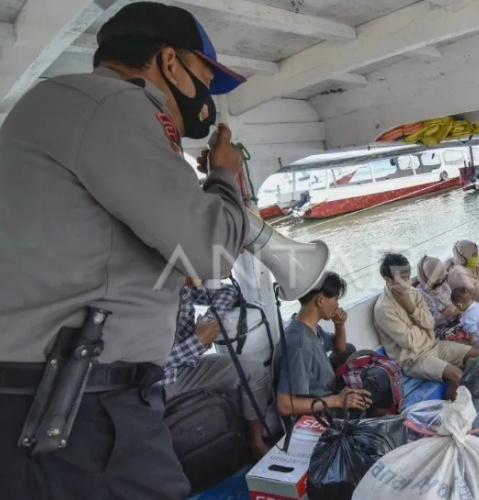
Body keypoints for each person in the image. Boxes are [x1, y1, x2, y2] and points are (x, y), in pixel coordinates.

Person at [0, 3, 250, 498]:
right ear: (170, 63)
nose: (205, 99)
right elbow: (213, 254)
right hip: (80, 411)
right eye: (203, 77)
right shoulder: (117, 105)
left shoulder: (59, 105)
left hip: (50, 400)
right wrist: (225, 175)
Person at [161, 279, 272, 457]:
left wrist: (210, 322)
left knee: (253, 371)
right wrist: (197, 342)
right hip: (155, 382)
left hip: (188, 366)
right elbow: (141, 364)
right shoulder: (144, 296)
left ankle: (256, 442)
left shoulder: (183, 282)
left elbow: (228, 291)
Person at [373, 253, 479, 399]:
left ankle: (473, 399)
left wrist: (411, 308)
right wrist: (421, 325)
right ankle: (453, 412)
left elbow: (430, 323)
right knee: (456, 375)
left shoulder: (413, 294)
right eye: (402, 279)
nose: (407, 283)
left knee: (478, 355)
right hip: (413, 359)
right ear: (388, 280)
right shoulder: (384, 308)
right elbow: (407, 341)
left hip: (433, 345)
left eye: (408, 277)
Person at [272, 272, 364, 419]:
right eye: (336, 299)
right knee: (372, 394)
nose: (338, 304)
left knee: (350, 350)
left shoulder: (308, 326)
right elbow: (285, 405)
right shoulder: (299, 344)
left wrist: (339, 325)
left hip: (325, 393)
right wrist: (338, 401)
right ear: (320, 301)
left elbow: (339, 348)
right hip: (319, 413)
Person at [416, 256, 479, 347]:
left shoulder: (442, 284)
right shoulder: (420, 296)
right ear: (430, 277)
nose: (445, 273)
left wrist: (455, 309)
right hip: (445, 330)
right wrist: (454, 311)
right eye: (439, 273)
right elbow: (431, 323)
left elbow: (457, 304)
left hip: (461, 319)